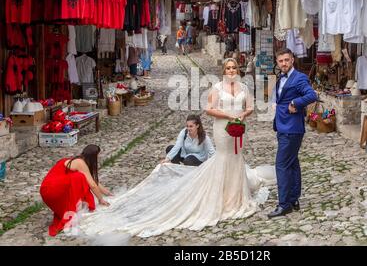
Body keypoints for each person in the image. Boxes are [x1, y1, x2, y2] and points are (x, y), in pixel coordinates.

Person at [78, 58, 275, 238]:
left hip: (240, 127)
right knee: (224, 157)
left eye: (234, 68)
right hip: (222, 128)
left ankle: (237, 194)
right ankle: (224, 197)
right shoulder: (217, 87)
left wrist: (242, 115)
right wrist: (229, 116)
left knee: (236, 157)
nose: (231, 70)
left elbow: (250, 106)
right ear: (224, 70)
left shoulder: (243, 87)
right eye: (228, 68)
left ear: (237, 70)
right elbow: (209, 109)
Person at [268, 49, 317, 218]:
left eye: (286, 60)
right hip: (283, 125)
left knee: (281, 165)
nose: (283, 63)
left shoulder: (299, 78)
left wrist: (296, 102)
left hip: (291, 128)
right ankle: (294, 198)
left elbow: (312, 95)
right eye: (280, 61)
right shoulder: (282, 77)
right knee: (292, 163)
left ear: (293, 60)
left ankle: (284, 204)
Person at [40, 144, 112, 236]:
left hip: (46, 191)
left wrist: (106, 192)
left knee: (80, 177)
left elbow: (93, 180)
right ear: (93, 156)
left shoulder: (75, 160)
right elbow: (92, 185)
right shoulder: (80, 163)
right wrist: (101, 199)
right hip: (52, 191)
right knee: (79, 178)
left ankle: (75, 207)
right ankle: (80, 207)